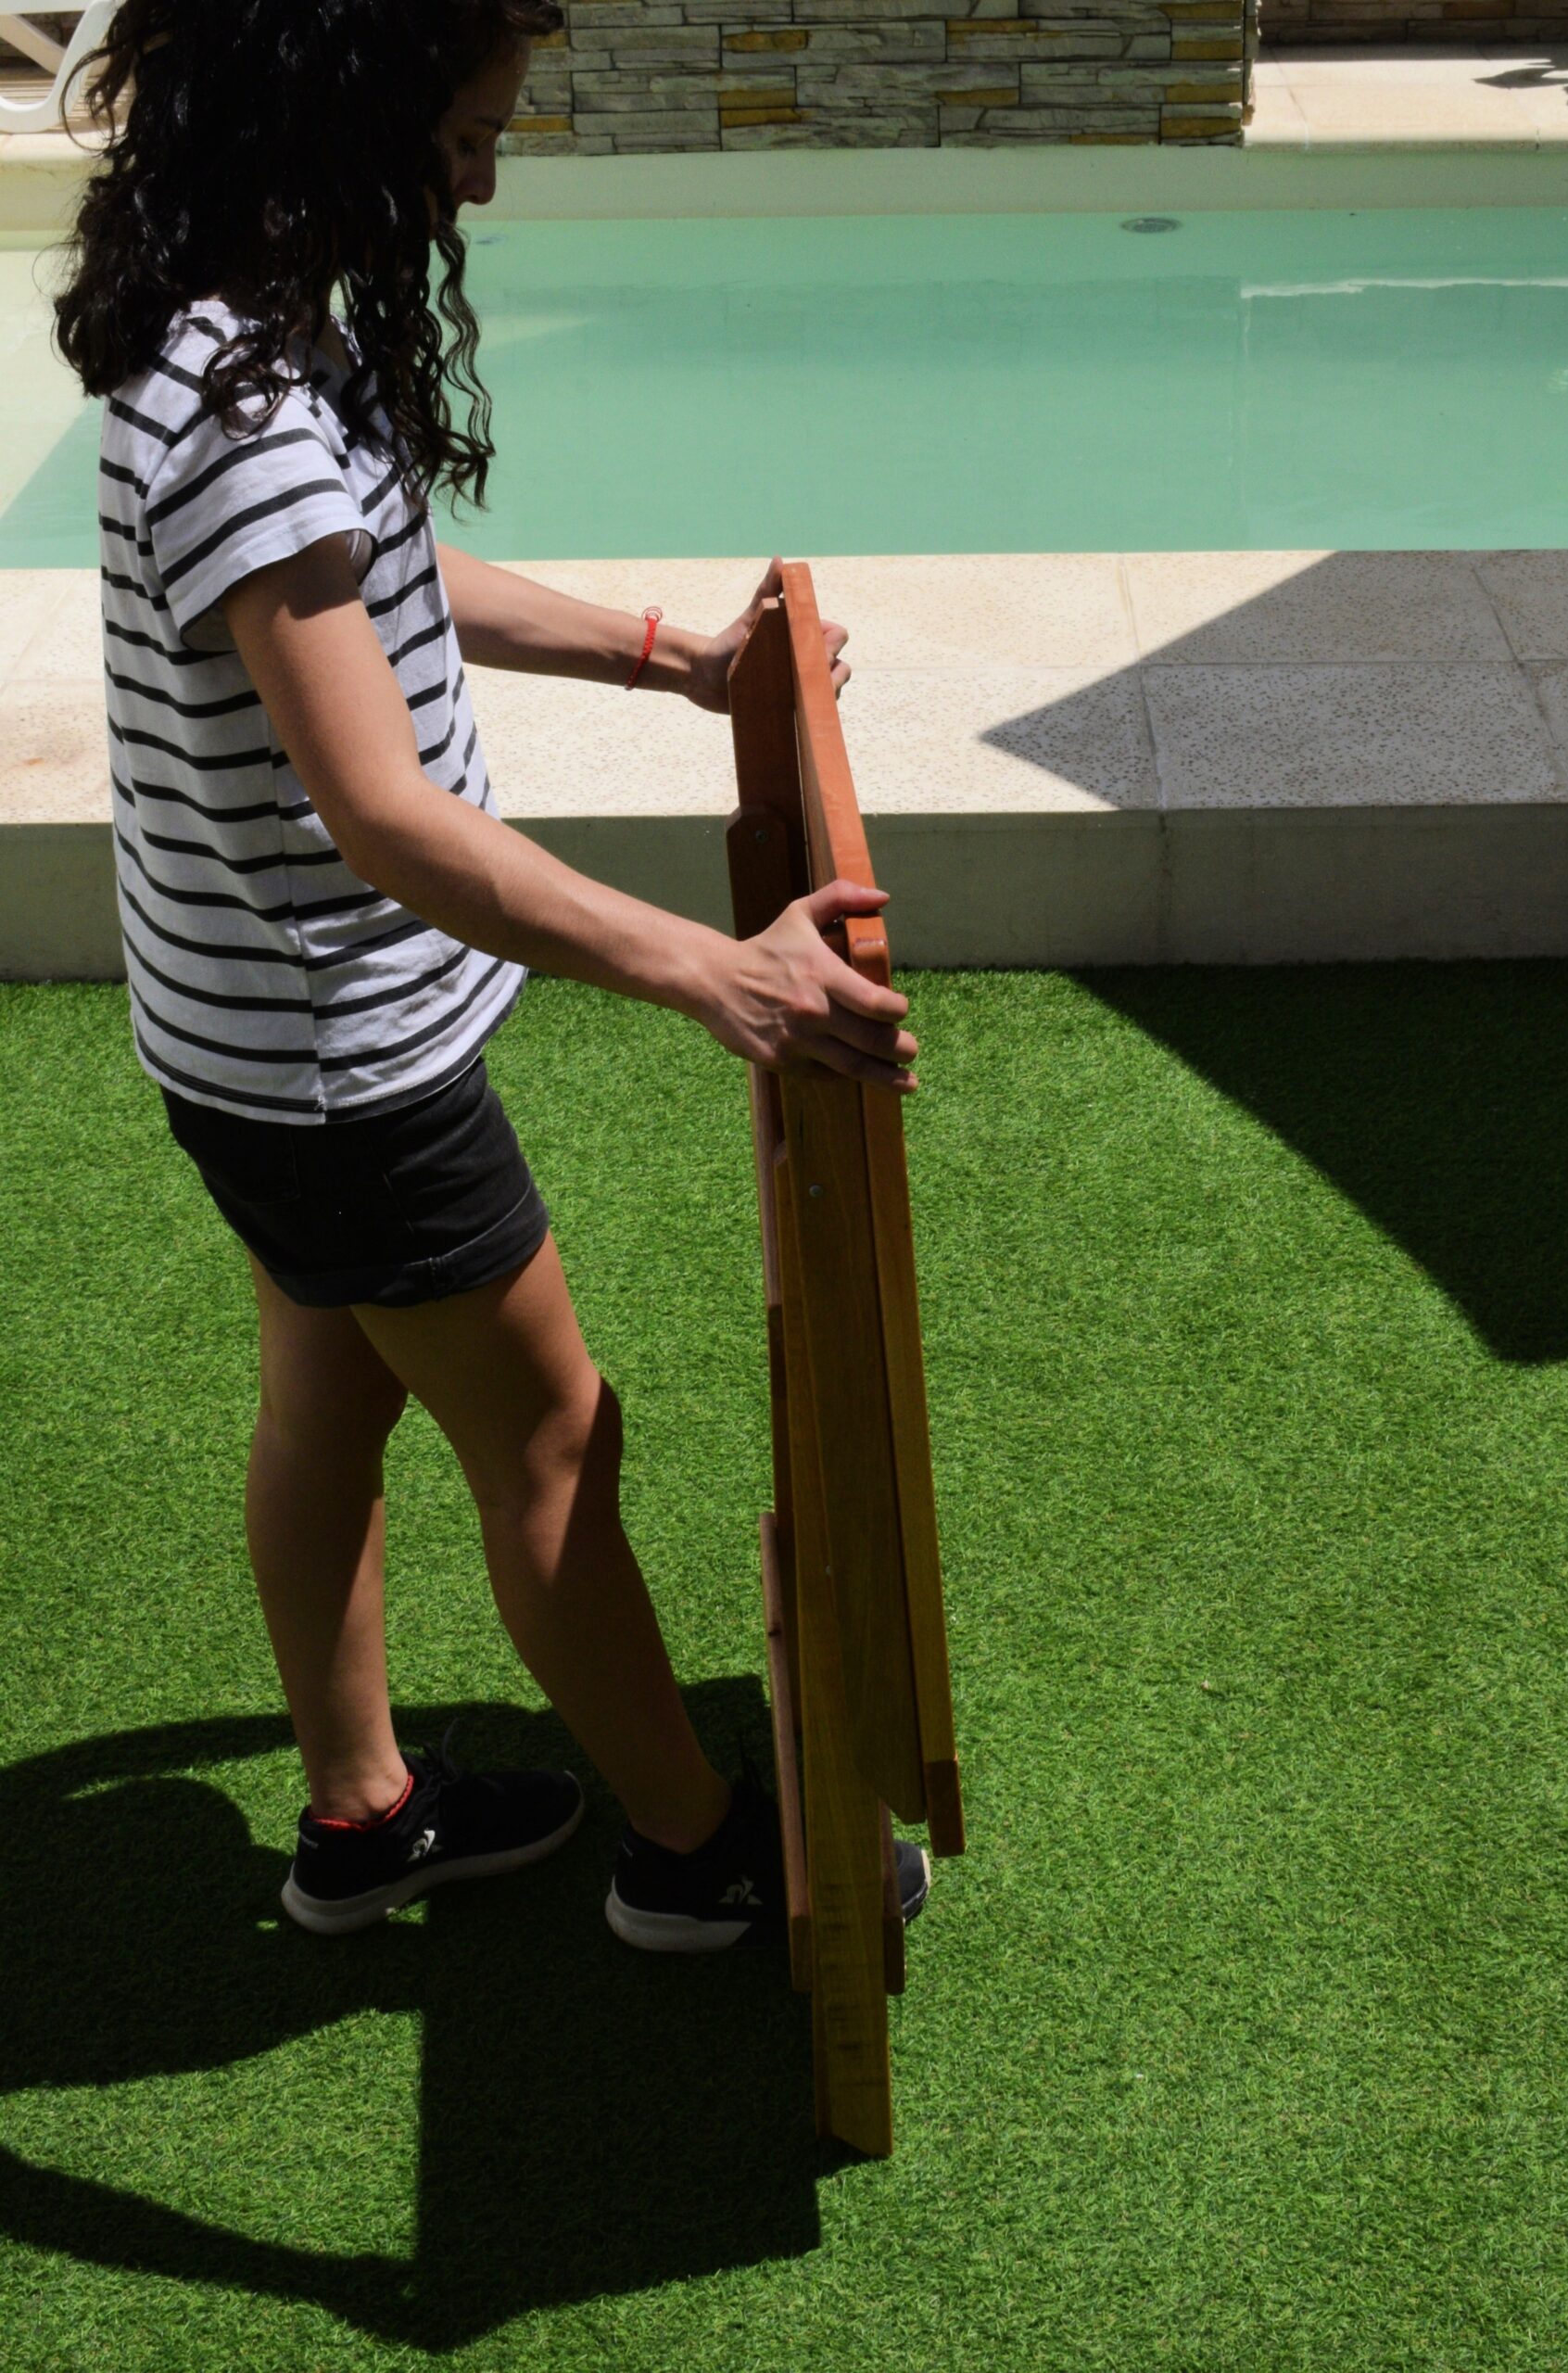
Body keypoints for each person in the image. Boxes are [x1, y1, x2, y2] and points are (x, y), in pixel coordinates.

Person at [53, 0, 929, 1947]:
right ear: (331, 118)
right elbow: (385, 814)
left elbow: (370, 576)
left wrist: (663, 655)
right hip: (336, 1069)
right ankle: (697, 1857)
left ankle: (363, 1818)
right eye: (460, 135)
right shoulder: (248, 415)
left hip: (246, 1045)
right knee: (554, 1441)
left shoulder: (237, 322)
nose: (481, 178)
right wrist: (714, 973)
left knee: (326, 1414)